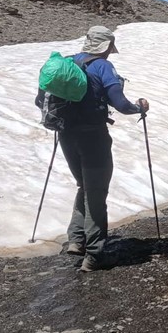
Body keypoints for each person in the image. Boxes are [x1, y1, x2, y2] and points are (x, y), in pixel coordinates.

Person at [36, 25, 149, 272]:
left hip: (66, 136)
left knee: (84, 186)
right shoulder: (102, 66)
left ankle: (76, 240)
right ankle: (95, 254)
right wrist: (139, 107)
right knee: (96, 192)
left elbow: (39, 100)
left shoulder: (66, 63)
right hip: (93, 138)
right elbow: (119, 103)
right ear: (106, 46)